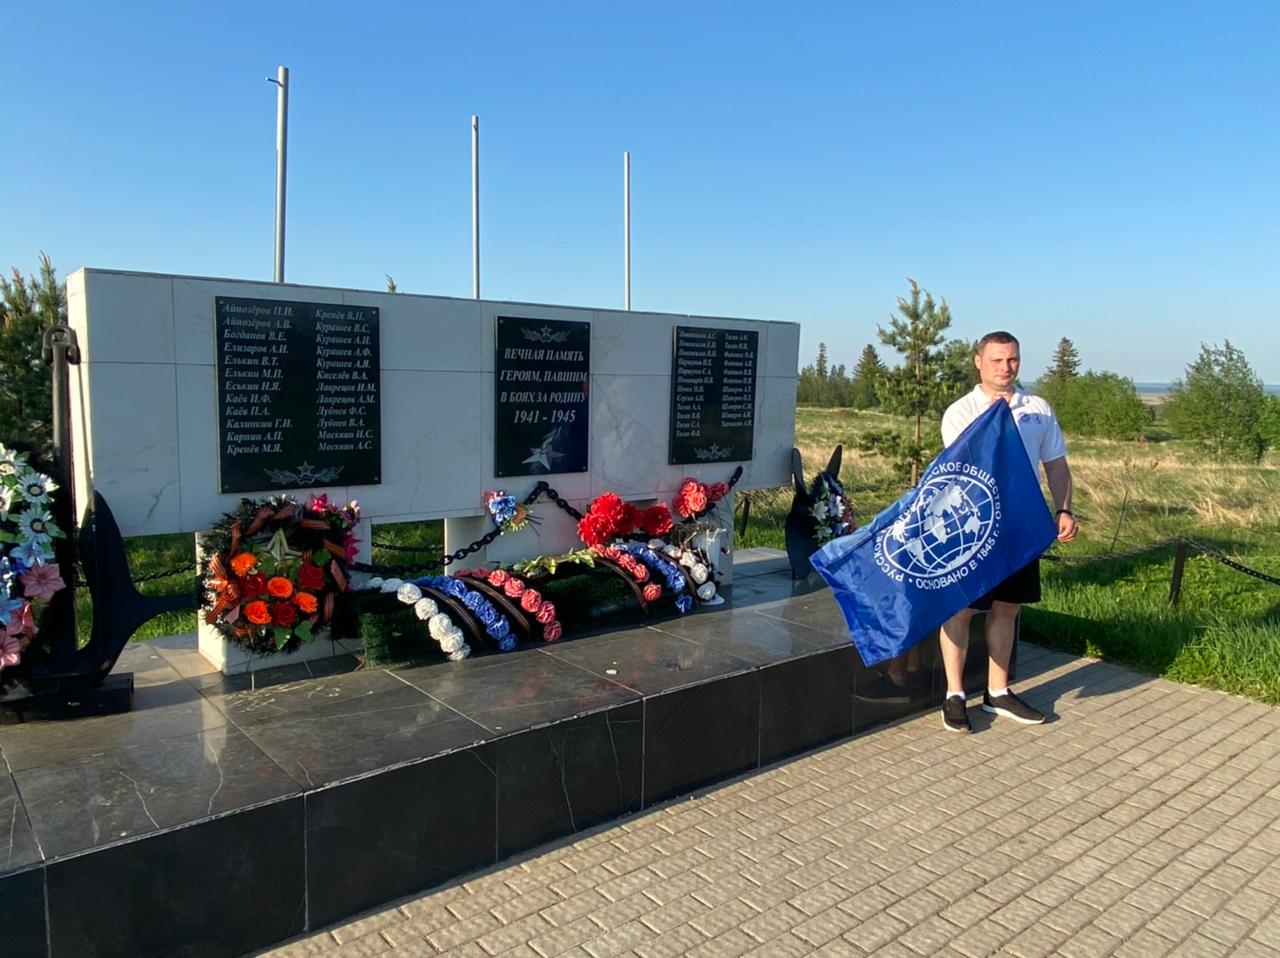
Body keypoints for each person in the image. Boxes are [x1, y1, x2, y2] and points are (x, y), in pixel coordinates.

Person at [938, 331, 1077, 733]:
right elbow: (962, 470)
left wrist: (1063, 508)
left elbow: (1055, 464)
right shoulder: (962, 411)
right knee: (961, 609)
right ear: (978, 362)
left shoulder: (1037, 408)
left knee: (1008, 606)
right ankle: (954, 695)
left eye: (1012, 359)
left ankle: (997, 692)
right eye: (997, 360)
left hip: (1021, 526)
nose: (1006, 367)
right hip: (973, 528)